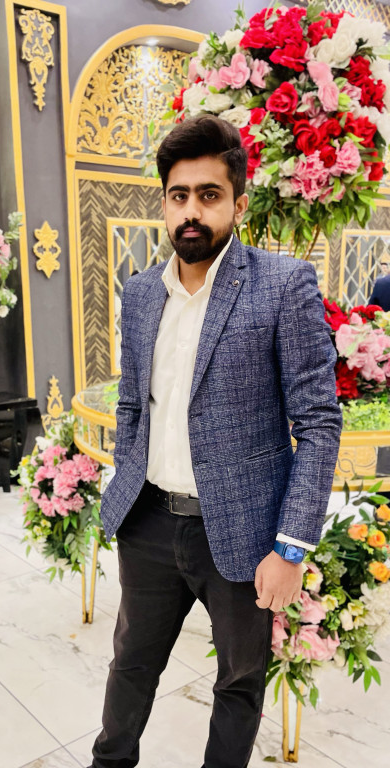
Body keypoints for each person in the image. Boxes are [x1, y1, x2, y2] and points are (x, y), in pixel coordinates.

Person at [89, 116, 342, 768]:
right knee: (130, 665)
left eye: (209, 194)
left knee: (239, 680)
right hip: (148, 522)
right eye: (179, 195)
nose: (191, 211)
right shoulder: (141, 293)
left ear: (239, 203)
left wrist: (290, 546)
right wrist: (126, 477)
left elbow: (318, 422)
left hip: (243, 531)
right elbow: (132, 401)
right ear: (164, 202)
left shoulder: (282, 285)